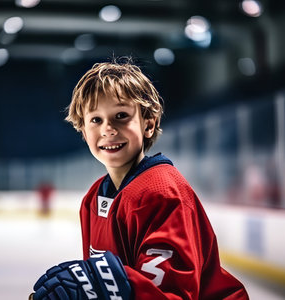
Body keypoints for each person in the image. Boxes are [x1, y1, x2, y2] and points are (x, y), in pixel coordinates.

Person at [30, 59, 249, 299]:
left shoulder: (161, 193)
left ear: (148, 124)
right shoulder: (93, 198)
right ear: (82, 130)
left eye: (121, 115)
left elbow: (171, 295)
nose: (108, 129)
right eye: (95, 120)